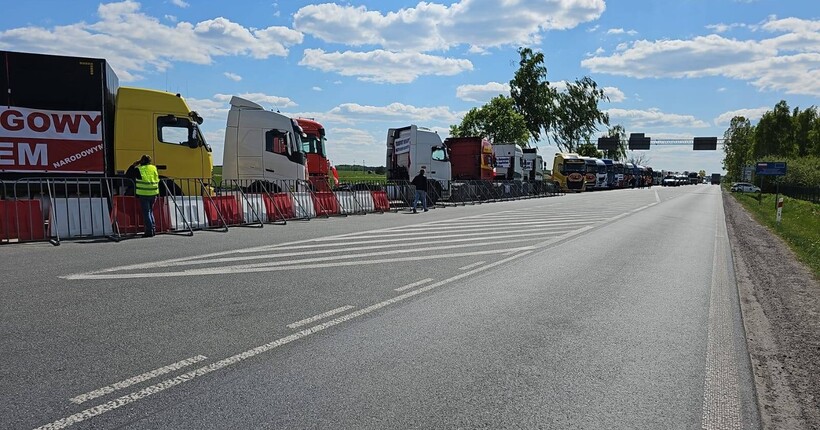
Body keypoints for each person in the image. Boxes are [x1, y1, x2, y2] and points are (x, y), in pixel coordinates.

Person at [127, 155, 160, 237]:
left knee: (146, 213)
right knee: (150, 211)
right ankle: (153, 229)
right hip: (154, 193)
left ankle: (149, 231)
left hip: (144, 193)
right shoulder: (153, 168)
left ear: (141, 161)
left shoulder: (139, 169)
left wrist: (134, 165)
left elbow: (128, 175)